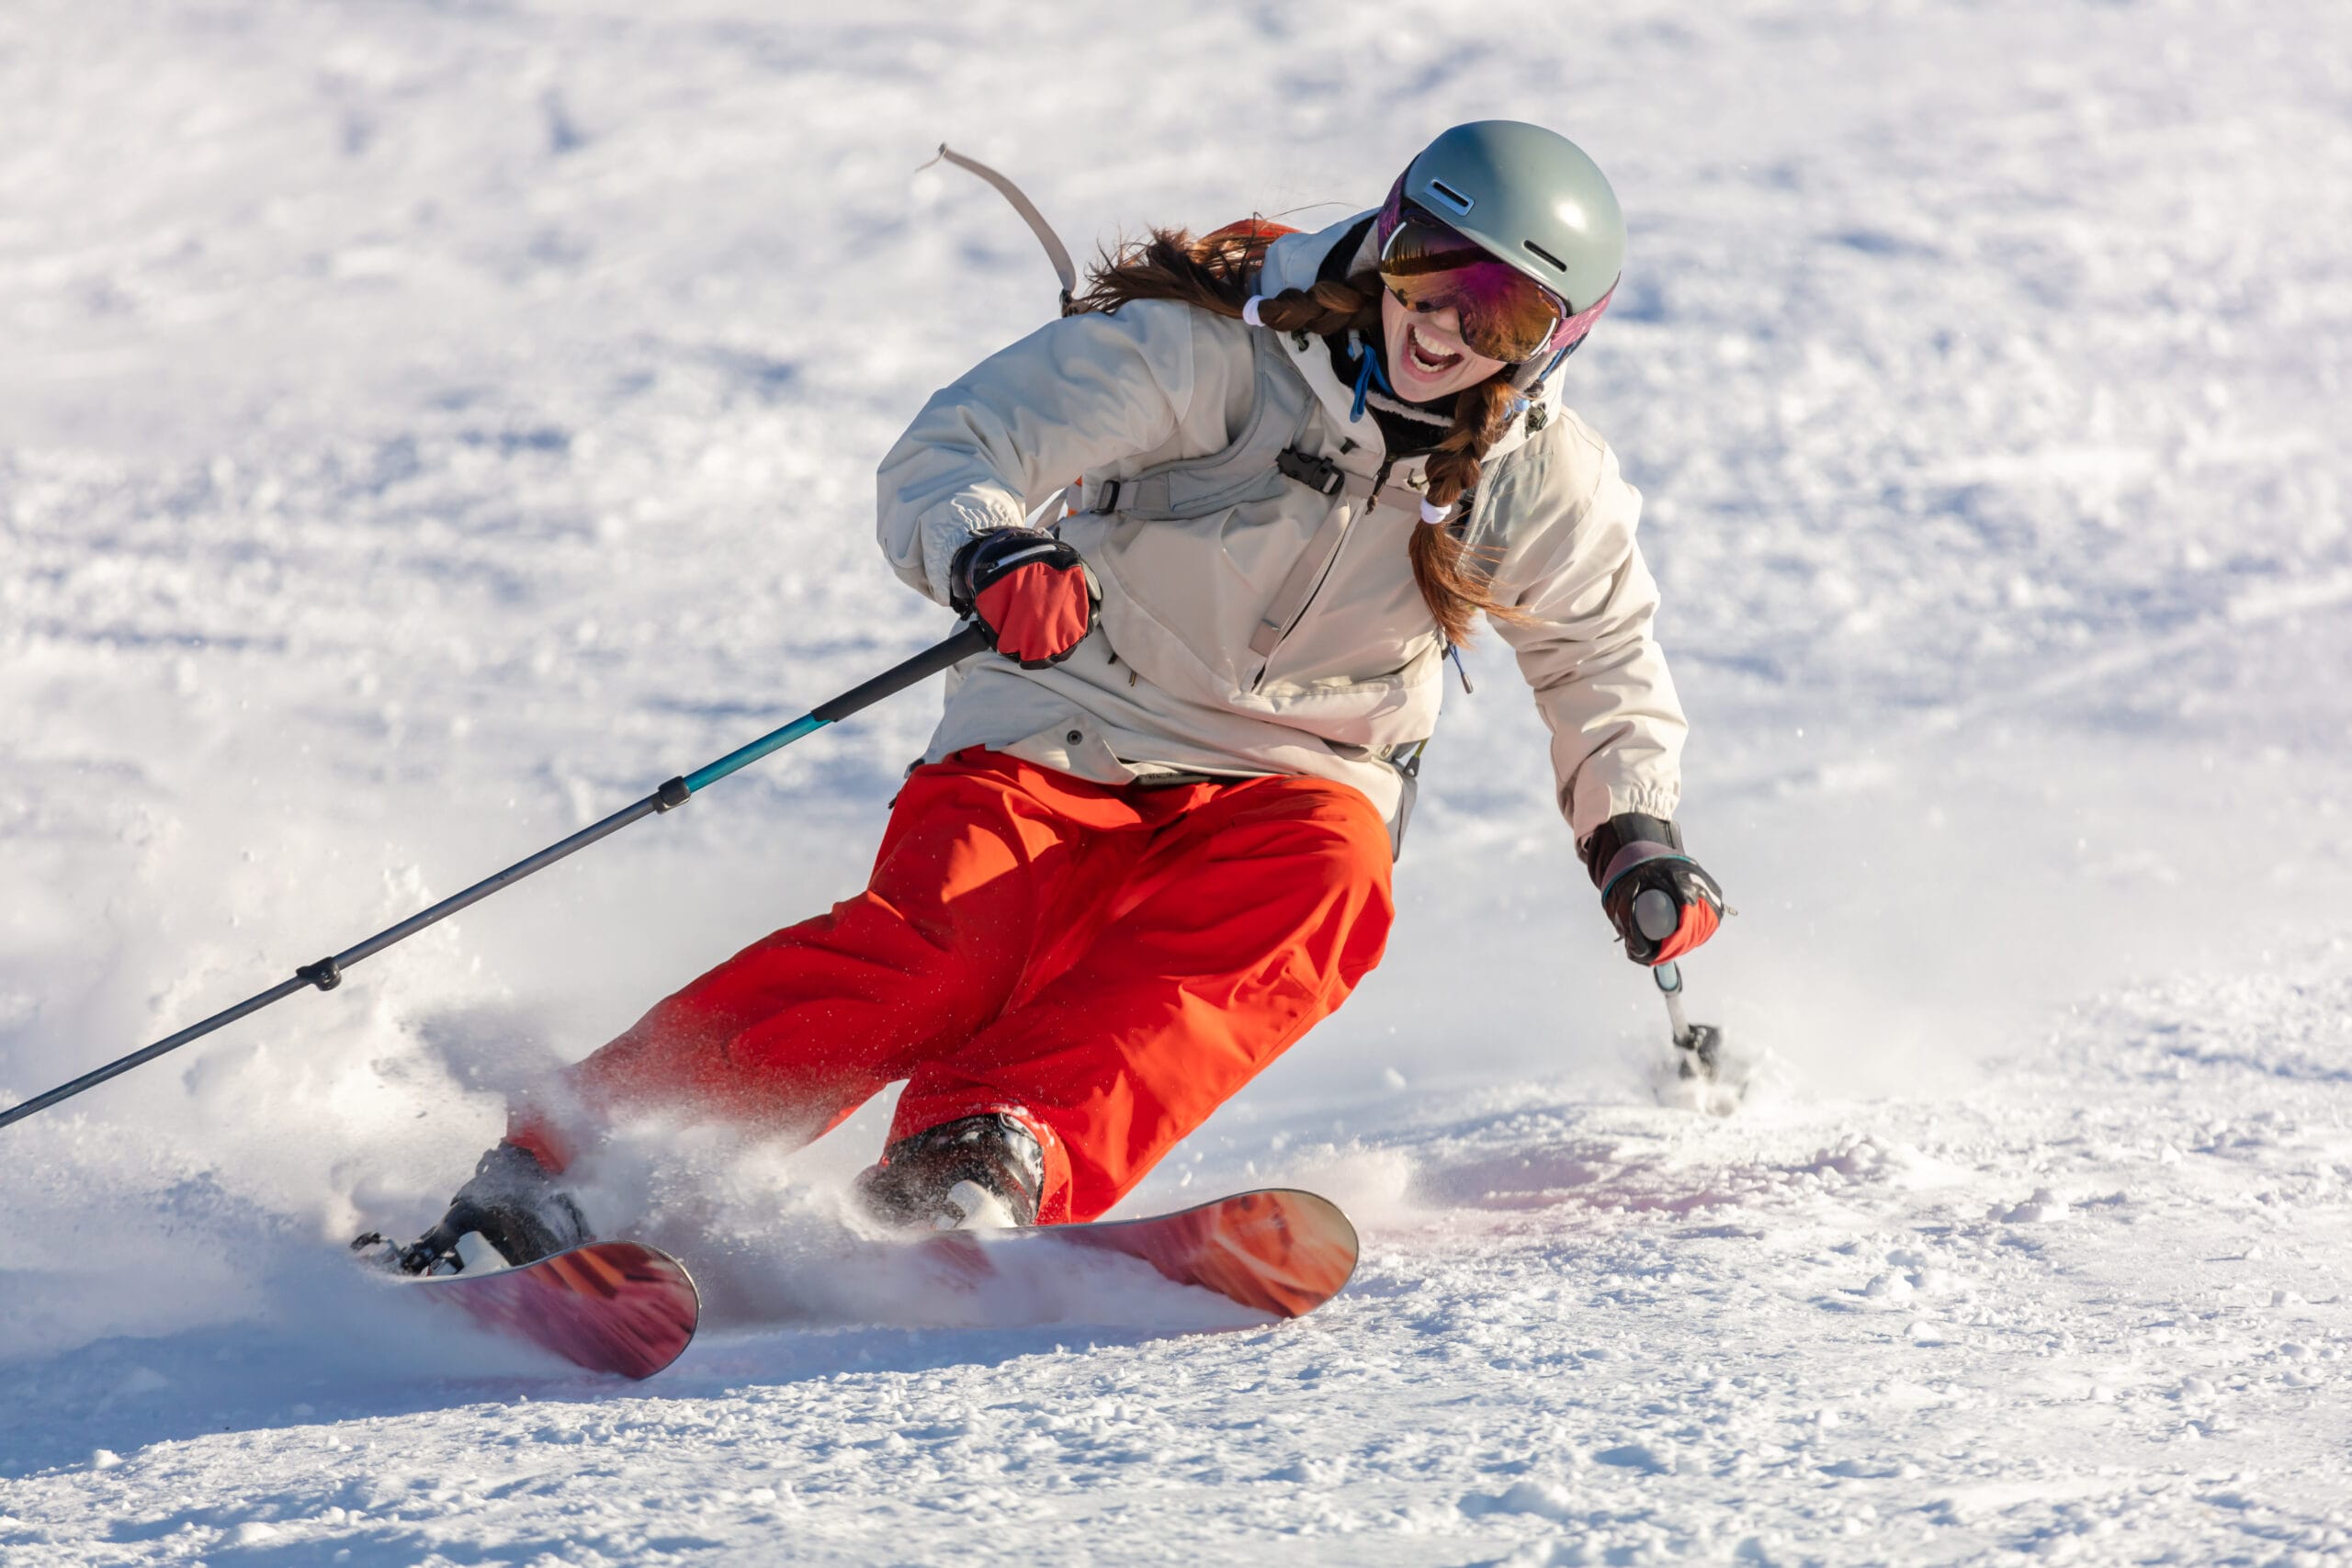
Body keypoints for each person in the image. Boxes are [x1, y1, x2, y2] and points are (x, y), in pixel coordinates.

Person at [374, 119, 1725, 1275]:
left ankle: (981, 1154)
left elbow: (1598, 653)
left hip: (1299, 774)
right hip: (1071, 722)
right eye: (1427, 268)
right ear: (1384, 238)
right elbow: (963, 445)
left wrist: (1634, 830)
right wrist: (993, 551)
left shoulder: (1535, 482)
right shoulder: (1217, 356)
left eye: (1498, 314)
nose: (1439, 326)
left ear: (1555, 343)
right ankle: (572, 1167)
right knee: (950, 955)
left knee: (1327, 892)